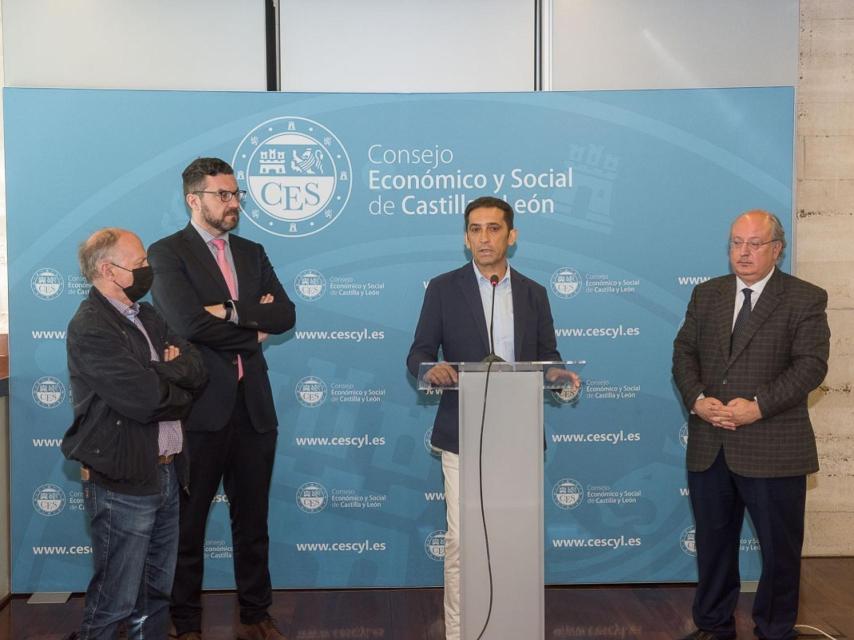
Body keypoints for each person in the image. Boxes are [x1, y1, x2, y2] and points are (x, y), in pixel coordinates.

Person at [406, 196, 578, 640]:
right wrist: (433, 370)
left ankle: (513, 629)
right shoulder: (443, 289)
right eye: (476, 229)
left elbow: (548, 357)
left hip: (517, 436)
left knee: (513, 543)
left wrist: (559, 375)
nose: (484, 238)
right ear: (466, 238)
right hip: (463, 434)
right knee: (464, 544)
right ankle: (461, 634)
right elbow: (419, 353)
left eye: (494, 229)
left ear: (511, 236)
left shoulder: (533, 293)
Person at [148, 158, 296, 640]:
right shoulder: (168, 253)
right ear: (195, 199)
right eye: (223, 195)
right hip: (199, 410)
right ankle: (184, 622)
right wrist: (252, 330)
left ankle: (256, 612)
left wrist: (231, 311)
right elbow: (188, 324)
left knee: (252, 521)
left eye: (237, 195)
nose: (234, 203)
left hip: (254, 408)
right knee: (187, 527)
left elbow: (286, 315)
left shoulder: (252, 252)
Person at [672, 210, 830, 640]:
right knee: (713, 546)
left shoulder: (804, 297)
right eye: (736, 242)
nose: (743, 251)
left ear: (777, 249)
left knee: (779, 551)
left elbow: (811, 366)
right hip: (710, 442)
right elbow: (684, 352)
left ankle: (776, 630)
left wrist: (757, 407)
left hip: (772, 445)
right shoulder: (707, 295)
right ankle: (712, 625)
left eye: (754, 243)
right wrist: (697, 399)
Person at [61, 228, 206, 639]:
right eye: (140, 263)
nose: (148, 270)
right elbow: (144, 399)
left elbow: (197, 370)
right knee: (116, 602)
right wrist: (168, 378)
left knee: (157, 595)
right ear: (108, 270)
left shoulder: (149, 315)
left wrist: (160, 371)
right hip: (125, 479)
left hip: (166, 473)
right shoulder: (91, 326)